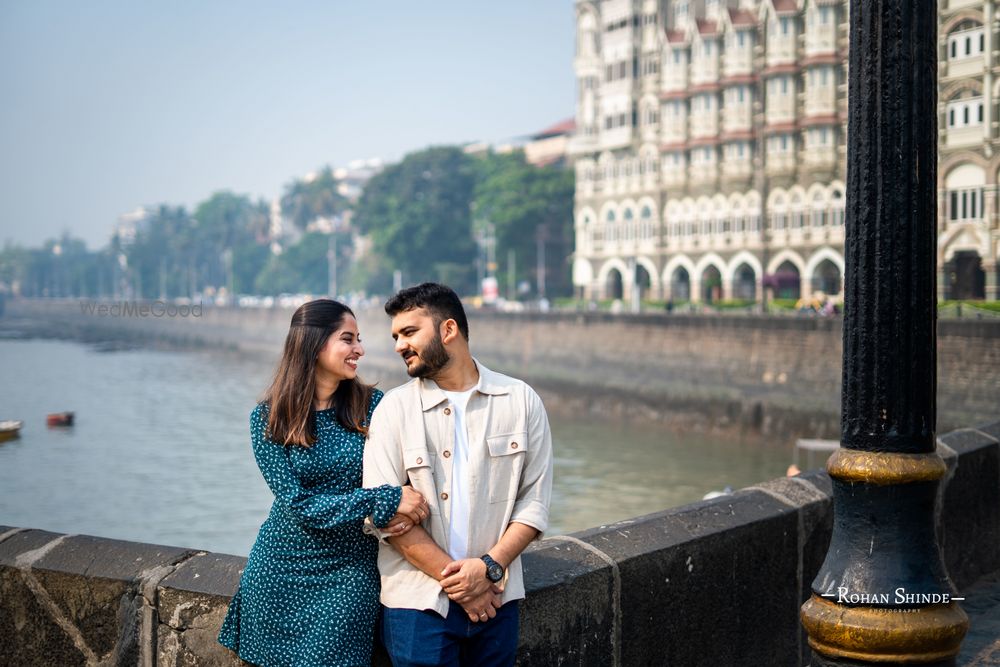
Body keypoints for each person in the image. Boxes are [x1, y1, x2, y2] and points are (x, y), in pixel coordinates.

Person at [218, 299, 429, 667]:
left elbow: (410, 480)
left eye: (359, 339)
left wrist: (394, 500)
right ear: (314, 345)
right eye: (348, 339)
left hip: (350, 570)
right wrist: (380, 500)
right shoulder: (268, 418)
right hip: (279, 572)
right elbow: (299, 506)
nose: (360, 349)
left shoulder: (375, 406)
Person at [363, 283, 553, 667]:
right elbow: (381, 512)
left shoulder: (520, 400)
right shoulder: (393, 410)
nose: (399, 344)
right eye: (395, 336)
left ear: (448, 330)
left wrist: (489, 568)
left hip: (497, 600)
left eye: (410, 332)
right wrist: (466, 586)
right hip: (417, 604)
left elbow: (534, 502)